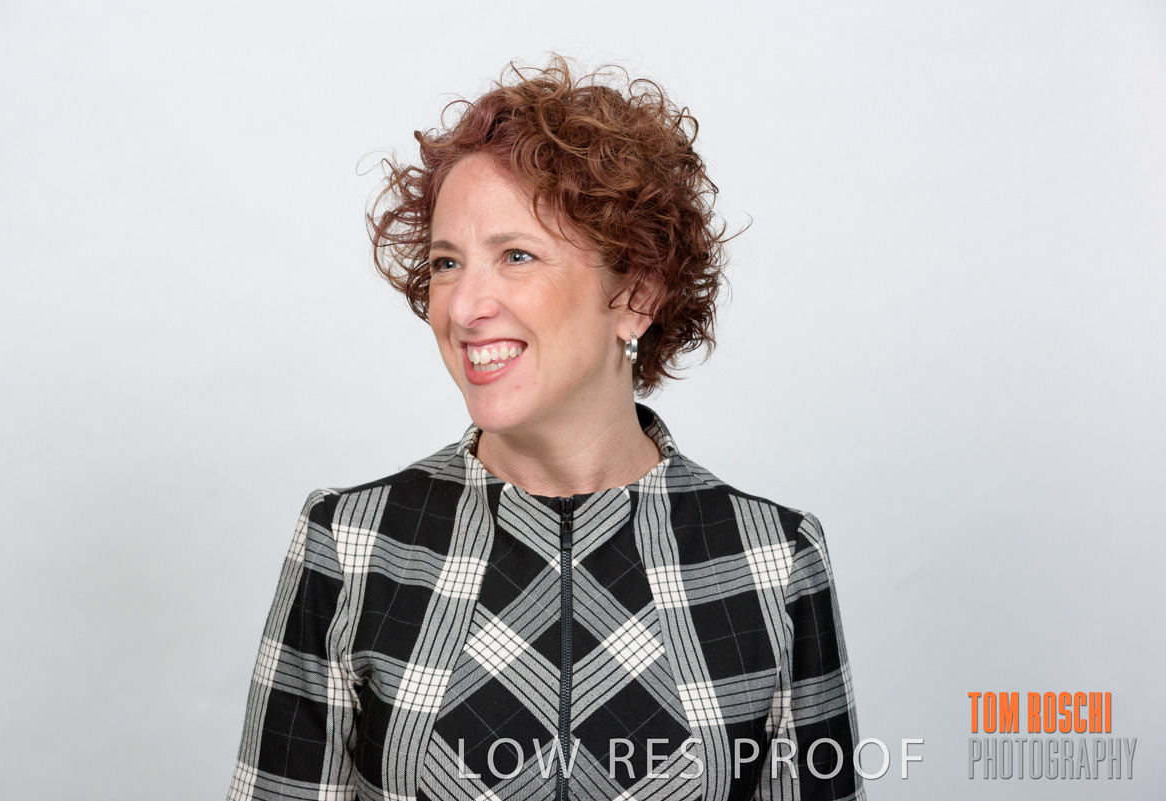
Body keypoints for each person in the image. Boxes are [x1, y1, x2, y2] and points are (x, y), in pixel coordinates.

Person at [226, 56, 865, 801]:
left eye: (516, 256)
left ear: (637, 293)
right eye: (446, 263)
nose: (465, 308)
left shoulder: (772, 560)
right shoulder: (352, 544)